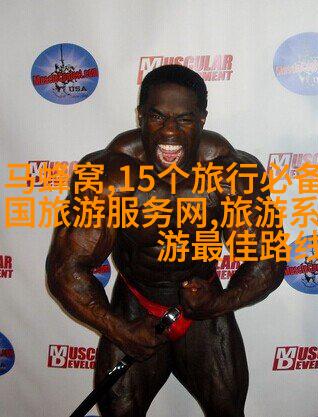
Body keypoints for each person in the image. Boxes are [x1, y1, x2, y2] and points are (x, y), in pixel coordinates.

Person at [46, 64, 286, 417]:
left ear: (202, 120)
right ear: (141, 116)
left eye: (184, 119)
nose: (169, 131)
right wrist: (120, 330)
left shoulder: (232, 173)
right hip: (135, 306)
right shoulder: (108, 176)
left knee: (227, 412)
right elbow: (67, 269)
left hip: (203, 309)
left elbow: (267, 261)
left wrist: (216, 304)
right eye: (157, 117)